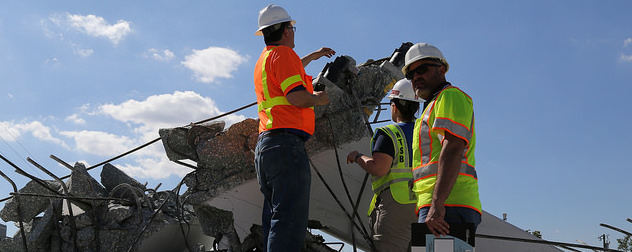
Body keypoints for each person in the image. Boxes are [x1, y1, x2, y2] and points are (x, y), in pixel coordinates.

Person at [253, 4, 335, 252]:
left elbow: (290, 67)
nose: (294, 31)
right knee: (290, 222)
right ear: (286, 30)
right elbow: (297, 97)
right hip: (286, 145)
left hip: (266, 148)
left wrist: (314, 55)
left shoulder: (265, 59)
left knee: (276, 220)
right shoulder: (284, 56)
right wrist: (319, 98)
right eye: (293, 27)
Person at [402, 43, 482, 238]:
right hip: (442, 204)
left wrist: (437, 205)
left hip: (448, 205)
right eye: (411, 75)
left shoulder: (450, 96)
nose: (416, 77)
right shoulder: (433, 106)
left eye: (422, 69)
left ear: (441, 69)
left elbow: (453, 147)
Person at [347, 79, 421, 252]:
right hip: (425, 205)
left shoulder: (389, 133)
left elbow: (379, 168)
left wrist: (358, 156)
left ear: (394, 106)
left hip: (397, 204)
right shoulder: (427, 132)